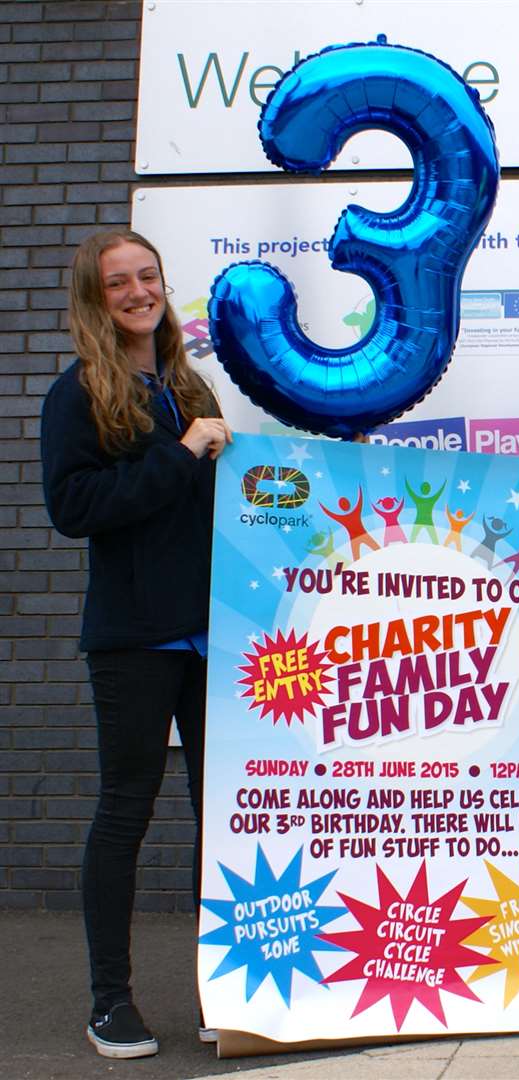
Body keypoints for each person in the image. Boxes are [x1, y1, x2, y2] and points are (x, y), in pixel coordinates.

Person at [40, 230, 232, 1058]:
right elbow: (75, 507)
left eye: (146, 276)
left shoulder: (189, 383)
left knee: (217, 819)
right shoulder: (78, 392)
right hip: (131, 638)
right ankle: (109, 1002)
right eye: (117, 282)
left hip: (212, 637)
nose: (136, 292)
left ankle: (220, 993)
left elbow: (225, 505)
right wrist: (183, 454)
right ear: (95, 296)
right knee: (126, 810)